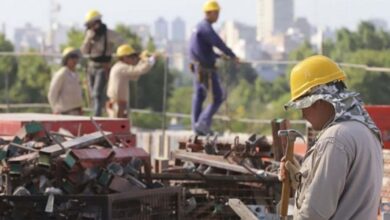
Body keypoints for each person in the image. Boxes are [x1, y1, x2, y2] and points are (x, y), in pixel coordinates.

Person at [279, 55, 383, 219]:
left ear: (319, 100)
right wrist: (299, 178)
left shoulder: (334, 138)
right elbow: (347, 194)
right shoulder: (365, 131)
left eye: (303, 106)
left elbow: (314, 213)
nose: (303, 114)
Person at [189, 0, 239, 135]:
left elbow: (203, 49)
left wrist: (217, 56)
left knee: (199, 96)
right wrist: (233, 56)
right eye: (216, 13)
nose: (218, 16)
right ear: (209, 13)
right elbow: (218, 42)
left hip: (199, 66)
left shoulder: (199, 27)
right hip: (205, 69)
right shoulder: (205, 28)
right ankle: (202, 123)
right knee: (218, 96)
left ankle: (197, 127)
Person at [81, 10, 124, 116]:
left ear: (97, 23)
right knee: (92, 94)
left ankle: (97, 116)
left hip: (102, 67)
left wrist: (118, 55)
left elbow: (122, 43)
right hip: (91, 67)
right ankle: (95, 113)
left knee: (97, 93)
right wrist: (88, 40)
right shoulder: (89, 35)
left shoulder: (108, 34)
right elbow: (84, 51)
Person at [106, 44, 156, 118]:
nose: (134, 59)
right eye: (132, 57)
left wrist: (142, 61)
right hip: (118, 105)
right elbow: (139, 70)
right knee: (118, 126)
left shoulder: (118, 67)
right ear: (125, 57)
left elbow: (135, 76)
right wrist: (151, 60)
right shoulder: (122, 67)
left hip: (118, 104)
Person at [48, 47, 83, 115]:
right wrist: (55, 109)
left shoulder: (76, 75)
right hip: (64, 113)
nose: (75, 60)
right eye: (72, 57)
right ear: (66, 59)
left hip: (77, 112)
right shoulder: (62, 74)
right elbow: (52, 93)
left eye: (76, 57)